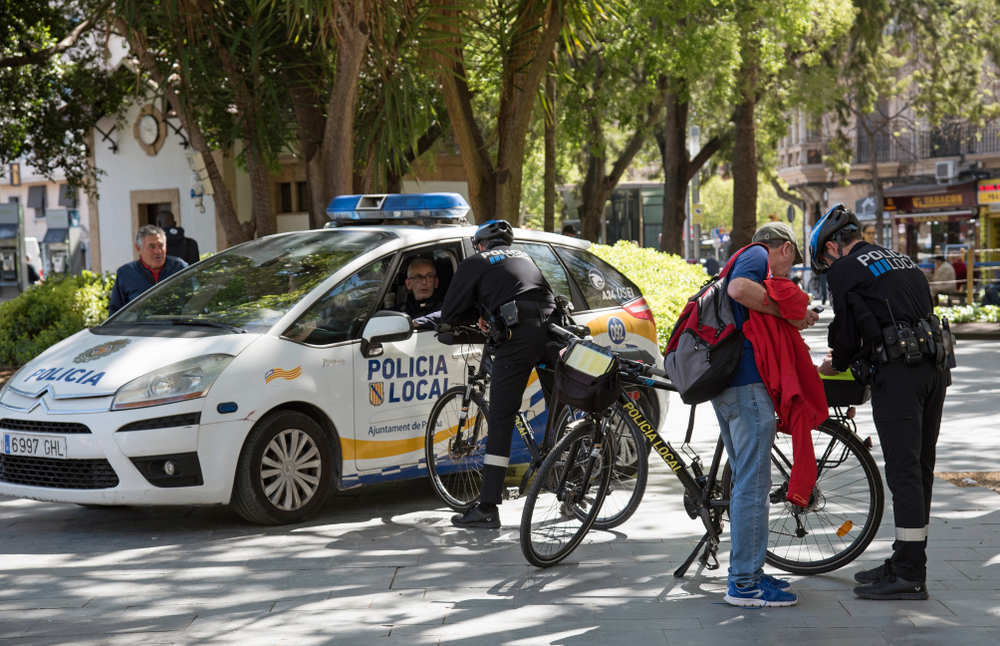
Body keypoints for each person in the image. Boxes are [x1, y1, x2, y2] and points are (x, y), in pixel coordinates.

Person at [813, 203, 949, 601]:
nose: (826, 265)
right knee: (920, 469)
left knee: (904, 472)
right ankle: (907, 559)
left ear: (833, 246)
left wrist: (835, 362)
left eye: (823, 257)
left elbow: (847, 330)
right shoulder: (901, 259)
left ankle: (908, 574)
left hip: (899, 377)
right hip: (934, 371)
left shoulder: (845, 270)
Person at [712, 221, 819, 608]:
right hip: (746, 387)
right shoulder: (757, 255)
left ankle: (749, 572)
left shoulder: (738, 261)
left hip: (730, 387)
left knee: (746, 484)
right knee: (753, 489)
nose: (786, 273)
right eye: (791, 263)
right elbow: (740, 291)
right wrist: (784, 311)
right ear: (785, 248)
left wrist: (784, 315)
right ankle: (744, 583)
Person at [439, 220, 557, 529]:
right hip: (552, 328)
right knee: (558, 404)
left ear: (481, 244)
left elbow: (450, 312)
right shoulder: (526, 257)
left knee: (502, 416)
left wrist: (471, 318)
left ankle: (488, 507)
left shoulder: (476, 261)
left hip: (518, 336)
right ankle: (569, 478)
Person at [108, 225, 188, 315]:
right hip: (140, 327)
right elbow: (115, 311)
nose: (158, 251)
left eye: (161, 246)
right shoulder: (125, 273)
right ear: (138, 248)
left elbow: (194, 300)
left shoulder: (180, 268)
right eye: (152, 246)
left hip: (176, 326)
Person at [395, 257, 442, 329]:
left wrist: (418, 322)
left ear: (436, 282)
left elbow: (447, 314)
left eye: (429, 276)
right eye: (418, 277)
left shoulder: (445, 308)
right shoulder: (400, 310)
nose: (424, 282)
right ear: (408, 284)